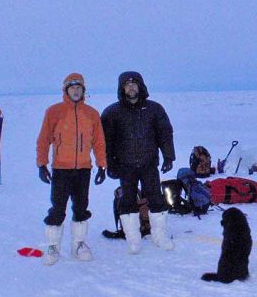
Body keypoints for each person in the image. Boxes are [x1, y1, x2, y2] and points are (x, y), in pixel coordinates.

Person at [101, 71, 176, 253]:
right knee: (127, 201)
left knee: (156, 199)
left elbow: (165, 134)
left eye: (134, 84)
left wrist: (168, 156)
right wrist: (108, 164)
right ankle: (133, 239)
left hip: (149, 163)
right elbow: (105, 141)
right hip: (125, 166)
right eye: (127, 84)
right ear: (122, 88)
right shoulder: (112, 112)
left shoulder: (154, 109)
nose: (131, 87)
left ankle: (159, 236)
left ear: (141, 86)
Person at [36, 73, 107, 264]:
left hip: (83, 169)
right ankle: (53, 247)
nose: (76, 91)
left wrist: (102, 165)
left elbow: (99, 142)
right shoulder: (54, 112)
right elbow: (43, 139)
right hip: (61, 169)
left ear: (83, 91)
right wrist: (42, 164)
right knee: (58, 209)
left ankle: (78, 245)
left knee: (81, 207)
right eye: (72, 88)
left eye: (79, 88)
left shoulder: (91, 114)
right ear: (66, 91)